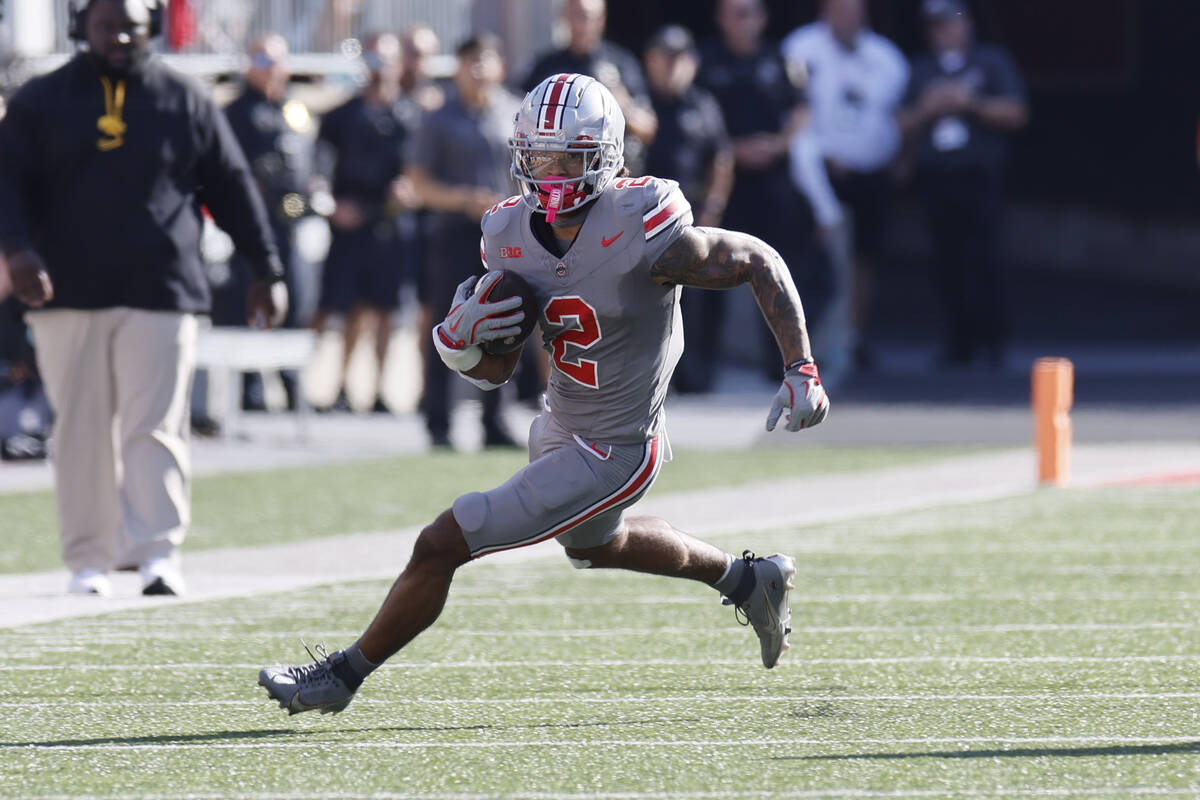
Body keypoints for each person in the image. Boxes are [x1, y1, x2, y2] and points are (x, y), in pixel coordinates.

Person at [258, 73, 830, 716]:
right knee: (596, 546)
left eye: (567, 157)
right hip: (558, 423)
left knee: (443, 541)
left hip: (616, 447)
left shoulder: (639, 224)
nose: (549, 172)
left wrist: (801, 366)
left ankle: (341, 675)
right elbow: (498, 369)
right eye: (537, 156)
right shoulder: (508, 231)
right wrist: (464, 346)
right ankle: (749, 578)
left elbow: (757, 260)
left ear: (606, 156)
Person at [0, 0, 287, 597]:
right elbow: (7, 182)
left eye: (132, 25)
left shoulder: (184, 98)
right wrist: (17, 251)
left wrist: (267, 267)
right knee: (80, 429)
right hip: (64, 291)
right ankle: (88, 560)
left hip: (162, 289)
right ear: (81, 25)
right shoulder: (38, 99)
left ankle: (158, 553)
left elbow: (231, 185)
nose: (121, 36)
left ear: (152, 25)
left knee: (155, 426)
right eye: (107, 25)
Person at [407, 34, 523, 450]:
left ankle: (495, 419)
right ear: (456, 68)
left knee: (506, 324)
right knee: (447, 322)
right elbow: (418, 183)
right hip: (454, 233)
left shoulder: (514, 113)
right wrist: (462, 199)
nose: (477, 69)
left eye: (485, 60)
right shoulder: (439, 119)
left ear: (500, 66)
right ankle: (438, 421)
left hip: (506, 234)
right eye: (470, 61)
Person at [696, 0, 822, 382]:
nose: (743, 20)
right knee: (709, 273)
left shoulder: (780, 60)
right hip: (724, 181)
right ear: (720, 19)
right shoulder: (705, 62)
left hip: (771, 183)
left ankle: (783, 363)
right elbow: (692, 114)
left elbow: (802, 109)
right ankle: (702, 368)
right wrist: (729, 149)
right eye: (735, 12)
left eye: (749, 12)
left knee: (778, 274)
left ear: (763, 18)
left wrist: (779, 143)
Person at [897, 0, 1028, 368]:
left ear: (967, 24)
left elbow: (1017, 111)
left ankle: (995, 341)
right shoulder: (922, 69)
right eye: (937, 25)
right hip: (939, 176)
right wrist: (930, 107)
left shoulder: (991, 62)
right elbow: (900, 122)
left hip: (981, 174)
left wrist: (969, 103)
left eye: (951, 23)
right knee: (946, 260)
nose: (945, 32)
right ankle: (959, 342)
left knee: (988, 256)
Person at [782, 0, 909, 370]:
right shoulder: (800, 48)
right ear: (825, 12)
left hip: (872, 171)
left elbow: (901, 115)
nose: (848, 18)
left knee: (865, 256)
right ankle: (803, 342)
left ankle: (854, 338)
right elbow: (792, 108)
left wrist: (905, 157)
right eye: (840, 10)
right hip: (818, 173)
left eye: (855, 10)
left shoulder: (887, 58)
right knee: (811, 256)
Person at [311, 32, 421, 413]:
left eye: (385, 61)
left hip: (391, 225)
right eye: (372, 61)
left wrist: (412, 189)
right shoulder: (342, 116)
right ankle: (340, 387)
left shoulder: (413, 116)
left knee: (388, 311)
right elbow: (320, 170)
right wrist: (330, 206)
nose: (379, 70)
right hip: (350, 222)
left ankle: (378, 391)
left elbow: (421, 172)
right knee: (347, 308)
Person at [212, 32, 314, 412]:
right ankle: (251, 391)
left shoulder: (295, 110)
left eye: (277, 60)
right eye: (262, 60)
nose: (271, 69)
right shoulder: (235, 113)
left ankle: (290, 388)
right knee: (252, 298)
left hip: (292, 225)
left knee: (296, 302)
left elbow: (309, 157)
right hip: (254, 226)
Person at [642, 24, 734, 394]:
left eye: (680, 58)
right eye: (665, 57)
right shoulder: (639, 105)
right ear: (650, 61)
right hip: (643, 225)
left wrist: (714, 205)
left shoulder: (702, 104)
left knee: (700, 303)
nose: (673, 66)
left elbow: (721, 158)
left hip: (692, 222)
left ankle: (697, 376)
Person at [521, 0, 657, 174]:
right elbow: (523, 122)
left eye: (587, 16)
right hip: (562, 174)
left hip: (613, 173)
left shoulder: (622, 63)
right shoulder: (547, 68)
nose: (581, 23)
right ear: (564, 18)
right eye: (575, 15)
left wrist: (621, 104)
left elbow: (647, 129)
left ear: (601, 20)